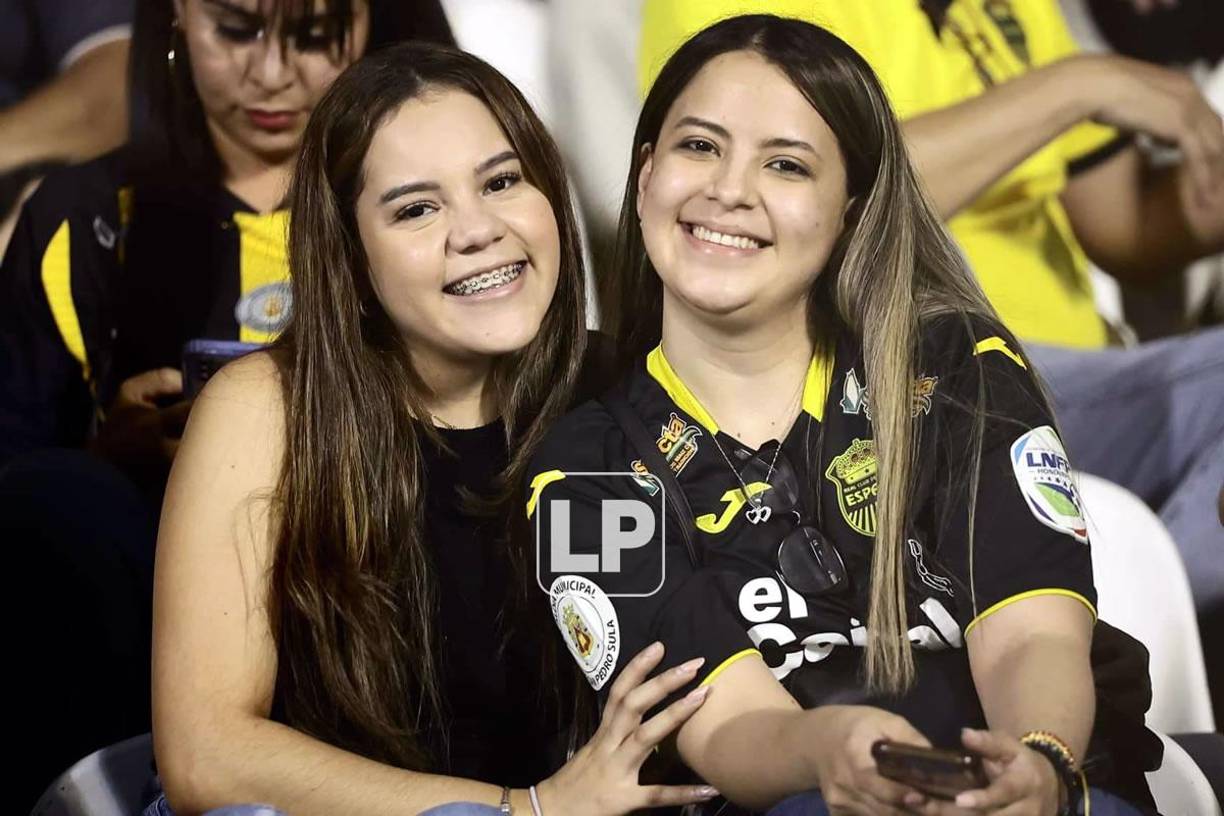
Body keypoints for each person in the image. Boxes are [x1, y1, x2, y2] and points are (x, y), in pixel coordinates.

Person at [529, 15, 1157, 815]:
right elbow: (728, 727)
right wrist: (827, 749)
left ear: (851, 212)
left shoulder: (955, 363)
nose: (730, 189)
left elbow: (1033, 631)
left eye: (786, 165)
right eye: (699, 146)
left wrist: (1037, 765)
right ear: (646, 173)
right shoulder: (579, 468)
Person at [149, 42, 720, 815]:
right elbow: (204, 756)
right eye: (417, 208)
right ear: (350, 258)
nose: (476, 230)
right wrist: (528, 809)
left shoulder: (627, 388)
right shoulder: (265, 410)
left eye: (502, 182)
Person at [637, 0, 1224, 700]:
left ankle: (1076, 651)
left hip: (1082, 385)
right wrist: (1079, 84)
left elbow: (1124, 227)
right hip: (902, 370)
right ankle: (1078, 661)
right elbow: (826, 204)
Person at [2, 1, 450, 808]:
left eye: (314, 38)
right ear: (176, 16)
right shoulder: (86, 218)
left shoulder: (437, 209)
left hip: (393, 607)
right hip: (140, 640)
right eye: (236, 30)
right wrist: (108, 455)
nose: (271, 74)